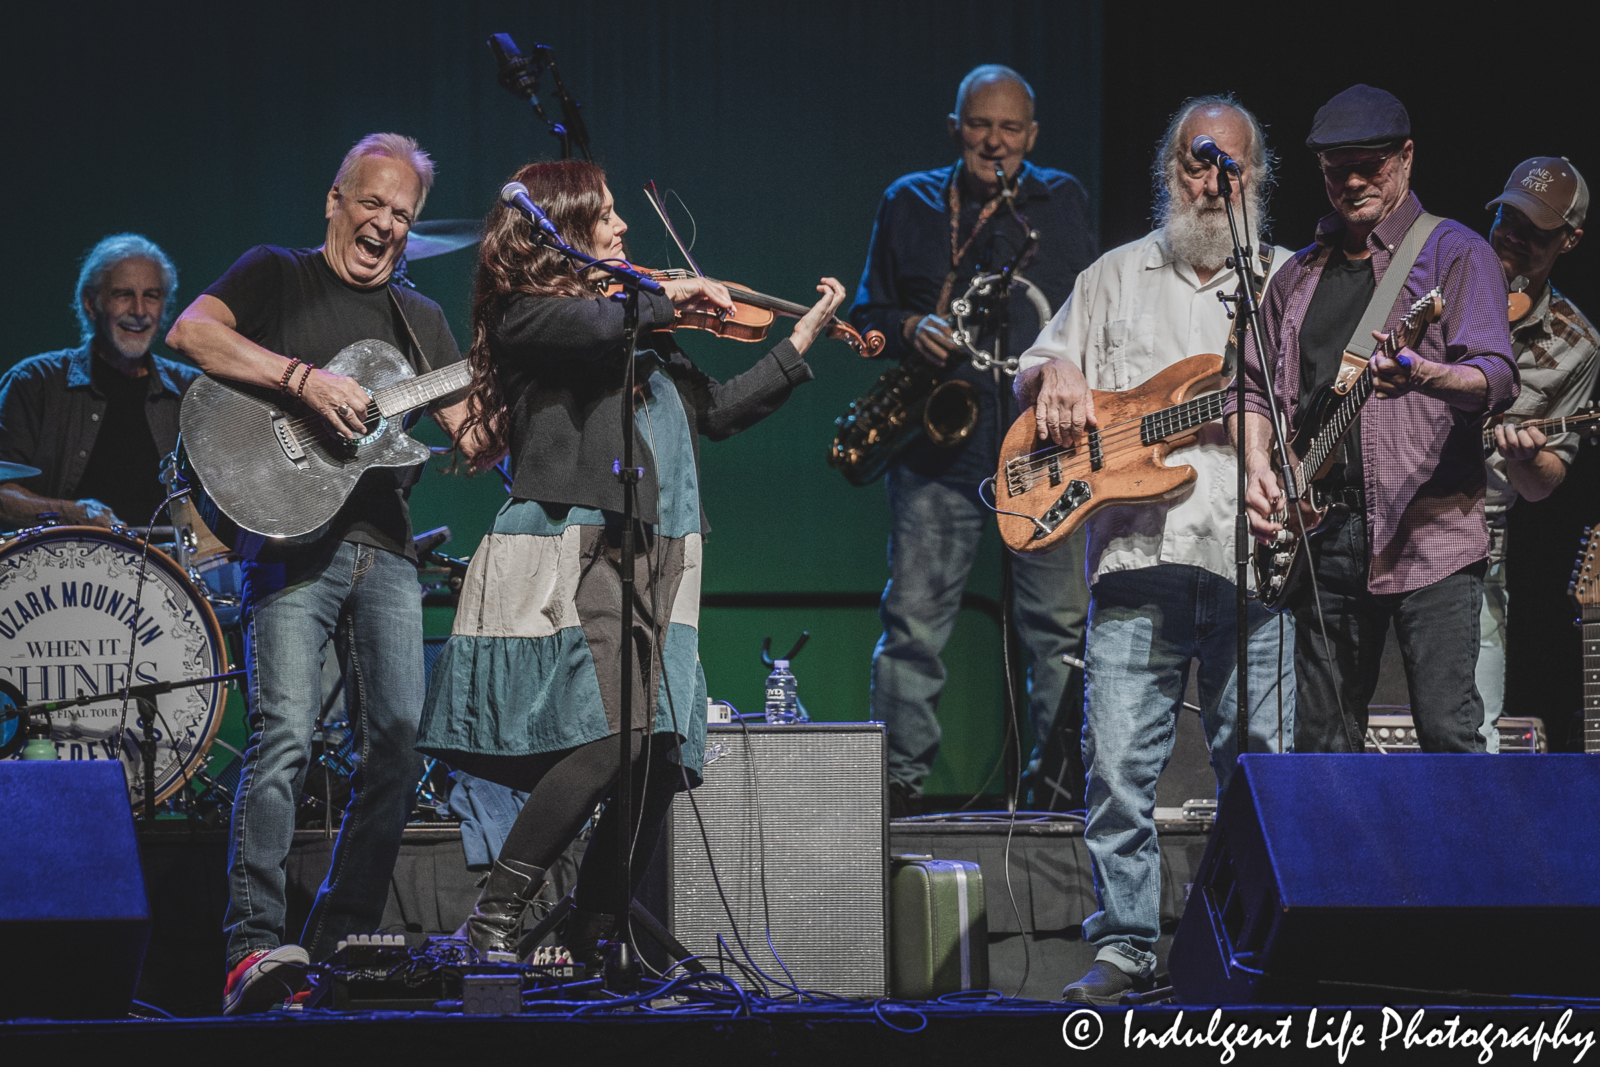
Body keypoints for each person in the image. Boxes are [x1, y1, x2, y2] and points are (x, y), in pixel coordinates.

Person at [415, 159, 845, 962]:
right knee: (611, 735)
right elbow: (597, 329)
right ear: (566, 230)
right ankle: (496, 916)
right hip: (580, 540)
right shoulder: (531, 318)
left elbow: (714, 412)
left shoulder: (637, 328)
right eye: (606, 216)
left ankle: (597, 928)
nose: (622, 230)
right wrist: (668, 298)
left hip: (663, 548)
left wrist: (795, 345)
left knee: (660, 748)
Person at [165, 133, 472, 1014]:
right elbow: (193, 332)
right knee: (287, 732)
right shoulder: (277, 272)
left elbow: (477, 436)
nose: (384, 224)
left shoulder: (424, 323)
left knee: (399, 744)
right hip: (291, 545)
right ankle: (251, 949)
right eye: (371, 203)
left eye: (402, 215)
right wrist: (302, 380)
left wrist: (535, 365)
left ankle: (332, 947)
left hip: (386, 546)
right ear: (334, 200)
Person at [1016, 95, 1296, 1004]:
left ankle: (1250, 940)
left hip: (1252, 560)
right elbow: (1036, 364)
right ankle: (1129, 946)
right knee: (1117, 766)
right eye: (1192, 163)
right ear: (1167, 171)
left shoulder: (1288, 283)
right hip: (1138, 556)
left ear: (1254, 178)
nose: (1208, 183)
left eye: (1227, 167)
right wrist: (1054, 370)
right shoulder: (1112, 276)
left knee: (1257, 762)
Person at [1235, 85, 1518, 756]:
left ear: (1407, 156)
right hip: (1321, 533)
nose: (1354, 181)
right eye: (1338, 168)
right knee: (1323, 743)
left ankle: (1457, 866)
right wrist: (1257, 469)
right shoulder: (1297, 276)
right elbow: (1252, 390)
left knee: (1449, 731)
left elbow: (1497, 377)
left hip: (1430, 532)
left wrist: (1423, 372)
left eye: (1371, 165)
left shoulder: (1454, 252)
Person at [849, 64, 1097, 812]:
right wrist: (900, 327)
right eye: (980, 125)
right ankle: (894, 794)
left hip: (1046, 453)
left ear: (1033, 136)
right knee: (914, 627)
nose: (995, 142)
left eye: (1010, 128)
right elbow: (865, 316)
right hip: (940, 451)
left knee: (1059, 629)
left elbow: (1098, 314)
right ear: (954, 126)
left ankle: (1057, 787)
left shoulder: (1063, 201)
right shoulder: (911, 200)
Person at [1478, 158, 1595, 748]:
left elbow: (1542, 484)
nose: (1514, 236)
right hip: (1379, 515)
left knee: (1470, 735)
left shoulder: (1578, 343)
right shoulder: (1438, 280)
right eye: (1508, 217)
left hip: (1478, 538)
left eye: (1537, 231)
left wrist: (1526, 457)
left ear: (1570, 240)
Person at [0, 234, 197, 530]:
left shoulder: (191, 391)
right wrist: (73, 514)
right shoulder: (32, 382)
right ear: (90, 304)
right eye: (123, 294)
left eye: (152, 296)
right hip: (64, 570)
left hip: (171, 570)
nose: (140, 311)